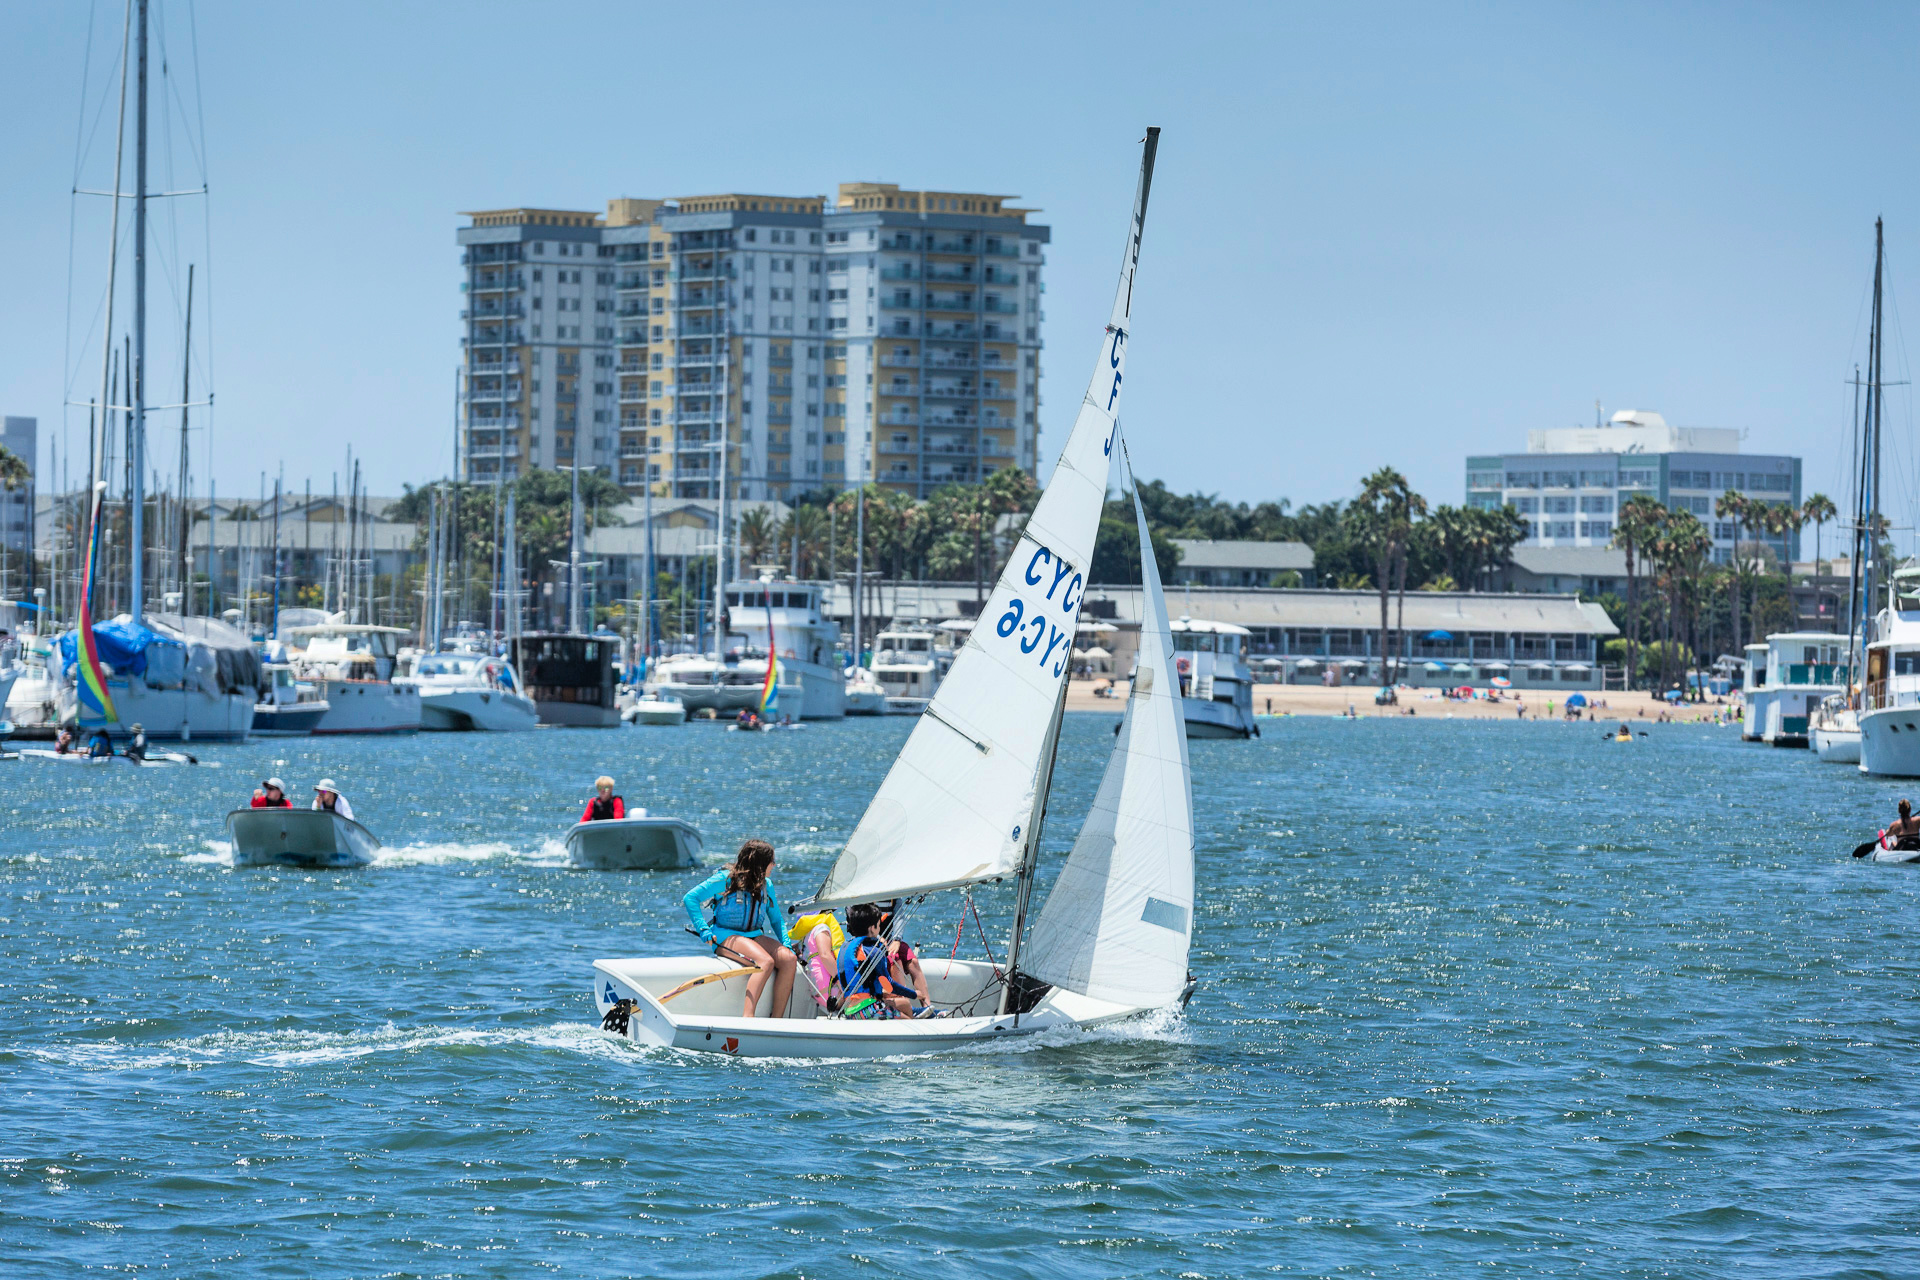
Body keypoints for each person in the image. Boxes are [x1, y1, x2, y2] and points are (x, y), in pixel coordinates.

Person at [682, 839, 795, 1018]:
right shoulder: (725, 879)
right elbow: (690, 898)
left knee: (789, 959)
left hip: (753, 936)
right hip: (725, 936)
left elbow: (776, 920)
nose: (774, 865)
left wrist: (786, 944)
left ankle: (776, 1020)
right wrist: (703, 929)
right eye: (772, 861)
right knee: (765, 962)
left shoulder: (767, 885)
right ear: (760, 863)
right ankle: (747, 1018)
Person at [837, 902, 914, 1018]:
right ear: (872, 928)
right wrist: (914, 994)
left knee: (905, 1004)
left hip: (848, 1010)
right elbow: (889, 986)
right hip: (867, 1010)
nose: (879, 929)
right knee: (907, 1020)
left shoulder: (846, 948)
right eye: (878, 926)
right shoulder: (874, 951)